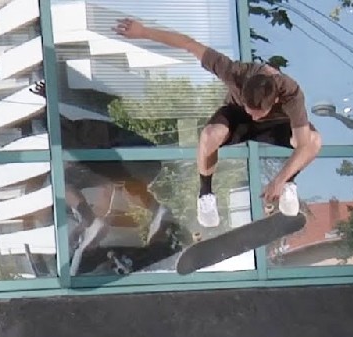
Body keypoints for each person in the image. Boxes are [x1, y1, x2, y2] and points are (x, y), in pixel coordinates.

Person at [113, 16, 322, 228]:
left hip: (278, 125)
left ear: (275, 100)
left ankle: (288, 183)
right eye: (251, 110)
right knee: (209, 135)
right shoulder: (234, 72)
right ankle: (205, 194)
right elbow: (189, 44)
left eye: (259, 113)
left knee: (313, 141)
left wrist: (279, 180)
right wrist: (144, 31)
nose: (255, 117)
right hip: (236, 117)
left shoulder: (291, 93)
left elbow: (303, 145)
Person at [28, 80, 175, 274]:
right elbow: (109, 193)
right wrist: (87, 226)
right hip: (146, 157)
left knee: (59, 179)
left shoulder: (67, 140)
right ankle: (158, 209)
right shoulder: (87, 144)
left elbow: (57, 124)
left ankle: (91, 221)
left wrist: (90, 222)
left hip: (123, 156)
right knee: (125, 186)